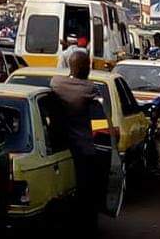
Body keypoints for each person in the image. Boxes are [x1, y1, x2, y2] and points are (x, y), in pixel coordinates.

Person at [50, 51, 99, 237]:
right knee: (87, 194)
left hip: (58, 147)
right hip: (83, 149)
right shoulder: (90, 88)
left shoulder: (56, 82)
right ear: (85, 67)